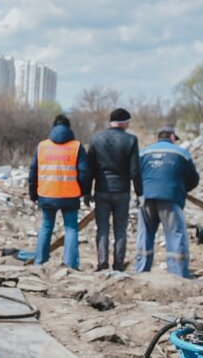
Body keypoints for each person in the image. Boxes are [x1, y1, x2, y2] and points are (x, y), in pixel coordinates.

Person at [135, 127, 200, 278]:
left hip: (146, 198)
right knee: (175, 235)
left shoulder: (144, 152)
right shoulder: (182, 153)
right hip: (170, 198)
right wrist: (180, 188)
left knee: (144, 235)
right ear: (172, 137)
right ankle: (177, 274)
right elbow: (193, 179)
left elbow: (135, 174)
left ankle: (141, 272)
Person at [29, 114, 91, 268]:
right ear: (69, 128)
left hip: (47, 194)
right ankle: (70, 264)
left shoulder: (42, 146)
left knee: (46, 227)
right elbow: (84, 172)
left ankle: (39, 261)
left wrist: (33, 193)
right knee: (71, 229)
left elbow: (33, 171)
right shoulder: (77, 147)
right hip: (70, 196)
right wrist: (83, 191)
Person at [87, 107, 143, 272]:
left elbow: (90, 169)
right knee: (120, 229)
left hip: (101, 190)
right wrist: (140, 193)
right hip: (122, 192)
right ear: (125, 122)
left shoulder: (96, 139)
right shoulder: (131, 140)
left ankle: (102, 263)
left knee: (102, 228)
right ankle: (118, 264)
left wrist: (86, 191)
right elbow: (134, 170)